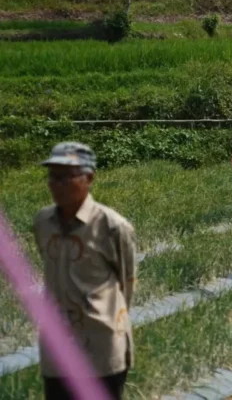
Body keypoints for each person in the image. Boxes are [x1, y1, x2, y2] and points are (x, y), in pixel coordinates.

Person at [33, 142, 136, 400]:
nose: (57, 184)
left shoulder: (112, 227)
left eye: (66, 177)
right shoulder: (43, 222)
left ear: (89, 178)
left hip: (101, 348)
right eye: (53, 177)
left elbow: (127, 284)